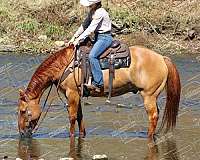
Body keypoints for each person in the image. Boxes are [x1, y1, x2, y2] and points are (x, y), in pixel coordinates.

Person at [69, 0, 113, 92]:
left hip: (105, 38)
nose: (88, 6)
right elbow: (84, 25)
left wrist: (78, 40)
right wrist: (74, 37)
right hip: (98, 37)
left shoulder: (100, 12)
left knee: (92, 56)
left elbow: (90, 29)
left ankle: (98, 82)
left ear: (96, 3)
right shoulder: (92, 12)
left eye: (90, 4)